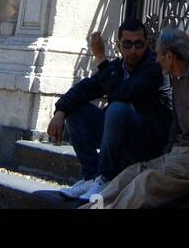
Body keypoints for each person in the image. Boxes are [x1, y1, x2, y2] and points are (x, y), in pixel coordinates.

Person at [80, 27, 189, 209]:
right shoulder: (176, 77)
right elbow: (177, 124)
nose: (156, 59)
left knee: (146, 182)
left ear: (169, 56)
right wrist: (168, 151)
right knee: (131, 173)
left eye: (159, 54)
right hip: (178, 153)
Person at [45, 20, 171, 202]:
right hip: (119, 139)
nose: (133, 50)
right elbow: (85, 88)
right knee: (76, 109)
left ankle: (106, 177)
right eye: (127, 45)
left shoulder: (154, 66)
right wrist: (60, 111)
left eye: (138, 44)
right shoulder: (118, 68)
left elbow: (121, 94)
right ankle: (91, 177)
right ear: (119, 46)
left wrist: (101, 59)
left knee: (117, 108)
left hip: (148, 141)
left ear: (147, 44)